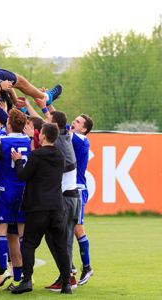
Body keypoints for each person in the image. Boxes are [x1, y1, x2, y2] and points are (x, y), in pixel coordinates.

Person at [10, 123, 72, 294]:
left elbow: (23, 176)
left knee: (29, 244)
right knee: (61, 246)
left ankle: (26, 280)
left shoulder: (36, 155)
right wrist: (32, 139)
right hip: (57, 207)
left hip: (38, 207)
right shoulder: (60, 155)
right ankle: (66, 283)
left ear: (43, 136)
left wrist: (18, 161)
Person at [45, 111, 82, 291]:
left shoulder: (60, 142)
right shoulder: (64, 137)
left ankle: (68, 276)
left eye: (48, 121)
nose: (45, 122)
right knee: (56, 237)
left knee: (61, 239)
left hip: (67, 199)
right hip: (70, 198)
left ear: (54, 126)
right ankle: (67, 273)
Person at [0, 109, 31, 290]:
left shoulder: (1, 141)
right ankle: (23, 276)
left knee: (2, 231)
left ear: (9, 124)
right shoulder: (29, 141)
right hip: (23, 191)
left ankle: (3, 271)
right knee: (21, 235)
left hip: (5, 189)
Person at [71, 114, 94, 285]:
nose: (74, 122)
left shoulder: (80, 139)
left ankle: (87, 267)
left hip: (77, 189)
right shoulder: (74, 137)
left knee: (77, 229)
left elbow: (53, 122)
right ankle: (70, 268)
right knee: (63, 229)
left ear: (84, 129)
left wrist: (43, 104)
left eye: (78, 122)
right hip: (67, 189)